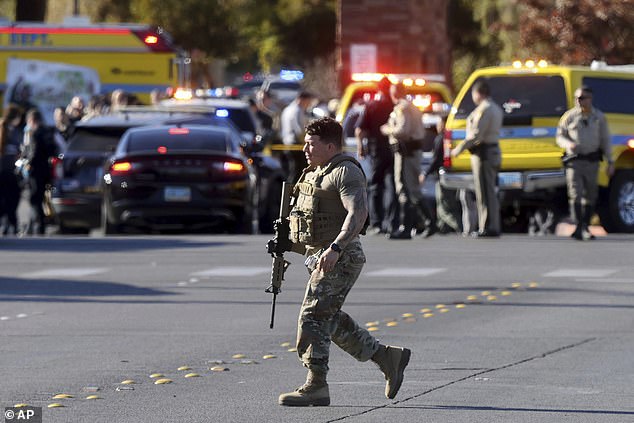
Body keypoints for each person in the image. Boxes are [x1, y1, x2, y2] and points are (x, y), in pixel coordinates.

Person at [275, 117, 411, 406]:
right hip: (320, 256)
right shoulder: (314, 172)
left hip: (342, 257)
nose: (305, 149)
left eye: (311, 144)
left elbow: (357, 214)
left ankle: (316, 386)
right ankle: (387, 357)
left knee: (312, 316)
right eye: (305, 143)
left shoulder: (345, 172)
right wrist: (287, 242)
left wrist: (336, 248)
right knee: (330, 318)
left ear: (330, 145)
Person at [556, 85, 613, 240]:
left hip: (592, 161)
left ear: (590, 99)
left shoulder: (598, 117)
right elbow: (560, 136)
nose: (578, 101)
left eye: (582, 98)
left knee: (590, 195)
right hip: (575, 162)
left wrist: (610, 161)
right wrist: (568, 144)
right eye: (577, 98)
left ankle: (585, 226)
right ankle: (578, 227)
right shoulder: (569, 117)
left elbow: (605, 140)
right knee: (575, 194)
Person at [451, 80, 503, 237]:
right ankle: (491, 225)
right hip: (491, 151)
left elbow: (476, 134)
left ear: (478, 93)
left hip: (484, 154)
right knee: (489, 192)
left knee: (484, 193)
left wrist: (459, 149)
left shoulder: (484, 109)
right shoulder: (495, 107)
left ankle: (487, 226)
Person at [380, 82, 427, 239]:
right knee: (411, 188)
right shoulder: (411, 106)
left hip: (405, 152)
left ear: (395, 93)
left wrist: (387, 129)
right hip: (411, 151)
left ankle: (407, 227)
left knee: (404, 188)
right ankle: (425, 222)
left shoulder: (402, 107)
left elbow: (402, 130)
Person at [355, 77, 398, 235]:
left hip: (376, 150)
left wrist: (361, 147)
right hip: (395, 150)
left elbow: (360, 130)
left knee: (375, 186)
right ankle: (393, 222)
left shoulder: (371, 105)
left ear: (378, 88)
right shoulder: (395, 105)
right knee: (393, 186)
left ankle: (377, 222)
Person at [419, 115, 462, 235]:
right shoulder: (451, 137)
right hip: (452, 174)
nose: (437, 126)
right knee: (448, 203)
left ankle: (459, 227)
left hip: (442, 176)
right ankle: (443, 228)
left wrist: (424, 174)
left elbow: (435, 160)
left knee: (443, 207)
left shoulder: (440, 139)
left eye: (439, 123)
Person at [22, 108, 57, 236]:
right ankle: (34, 226)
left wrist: (28, 164)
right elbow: (53, 150)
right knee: (40, 199)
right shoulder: (48, 132)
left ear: (31, 120)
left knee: (34, 200)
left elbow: (34, 152)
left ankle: (38, 226)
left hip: (35, 171)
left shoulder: (35, 133)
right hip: (46, 171)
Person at [280, 91, 315, 183]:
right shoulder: (297, 110)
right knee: (298, 172)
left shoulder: (287, 109)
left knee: (292, 170)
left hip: (287, 143)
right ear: (302, 99)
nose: (308, 104)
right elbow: (299, 131)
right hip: (296, 144)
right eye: (308, 102)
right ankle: (291, 193)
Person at [0, 104, 24, 236]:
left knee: (3, 200)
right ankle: (12, 225)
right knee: (13, 200)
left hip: (2, 171)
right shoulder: (14, 132)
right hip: (10, 171)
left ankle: (5, 225)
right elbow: (21, 150)